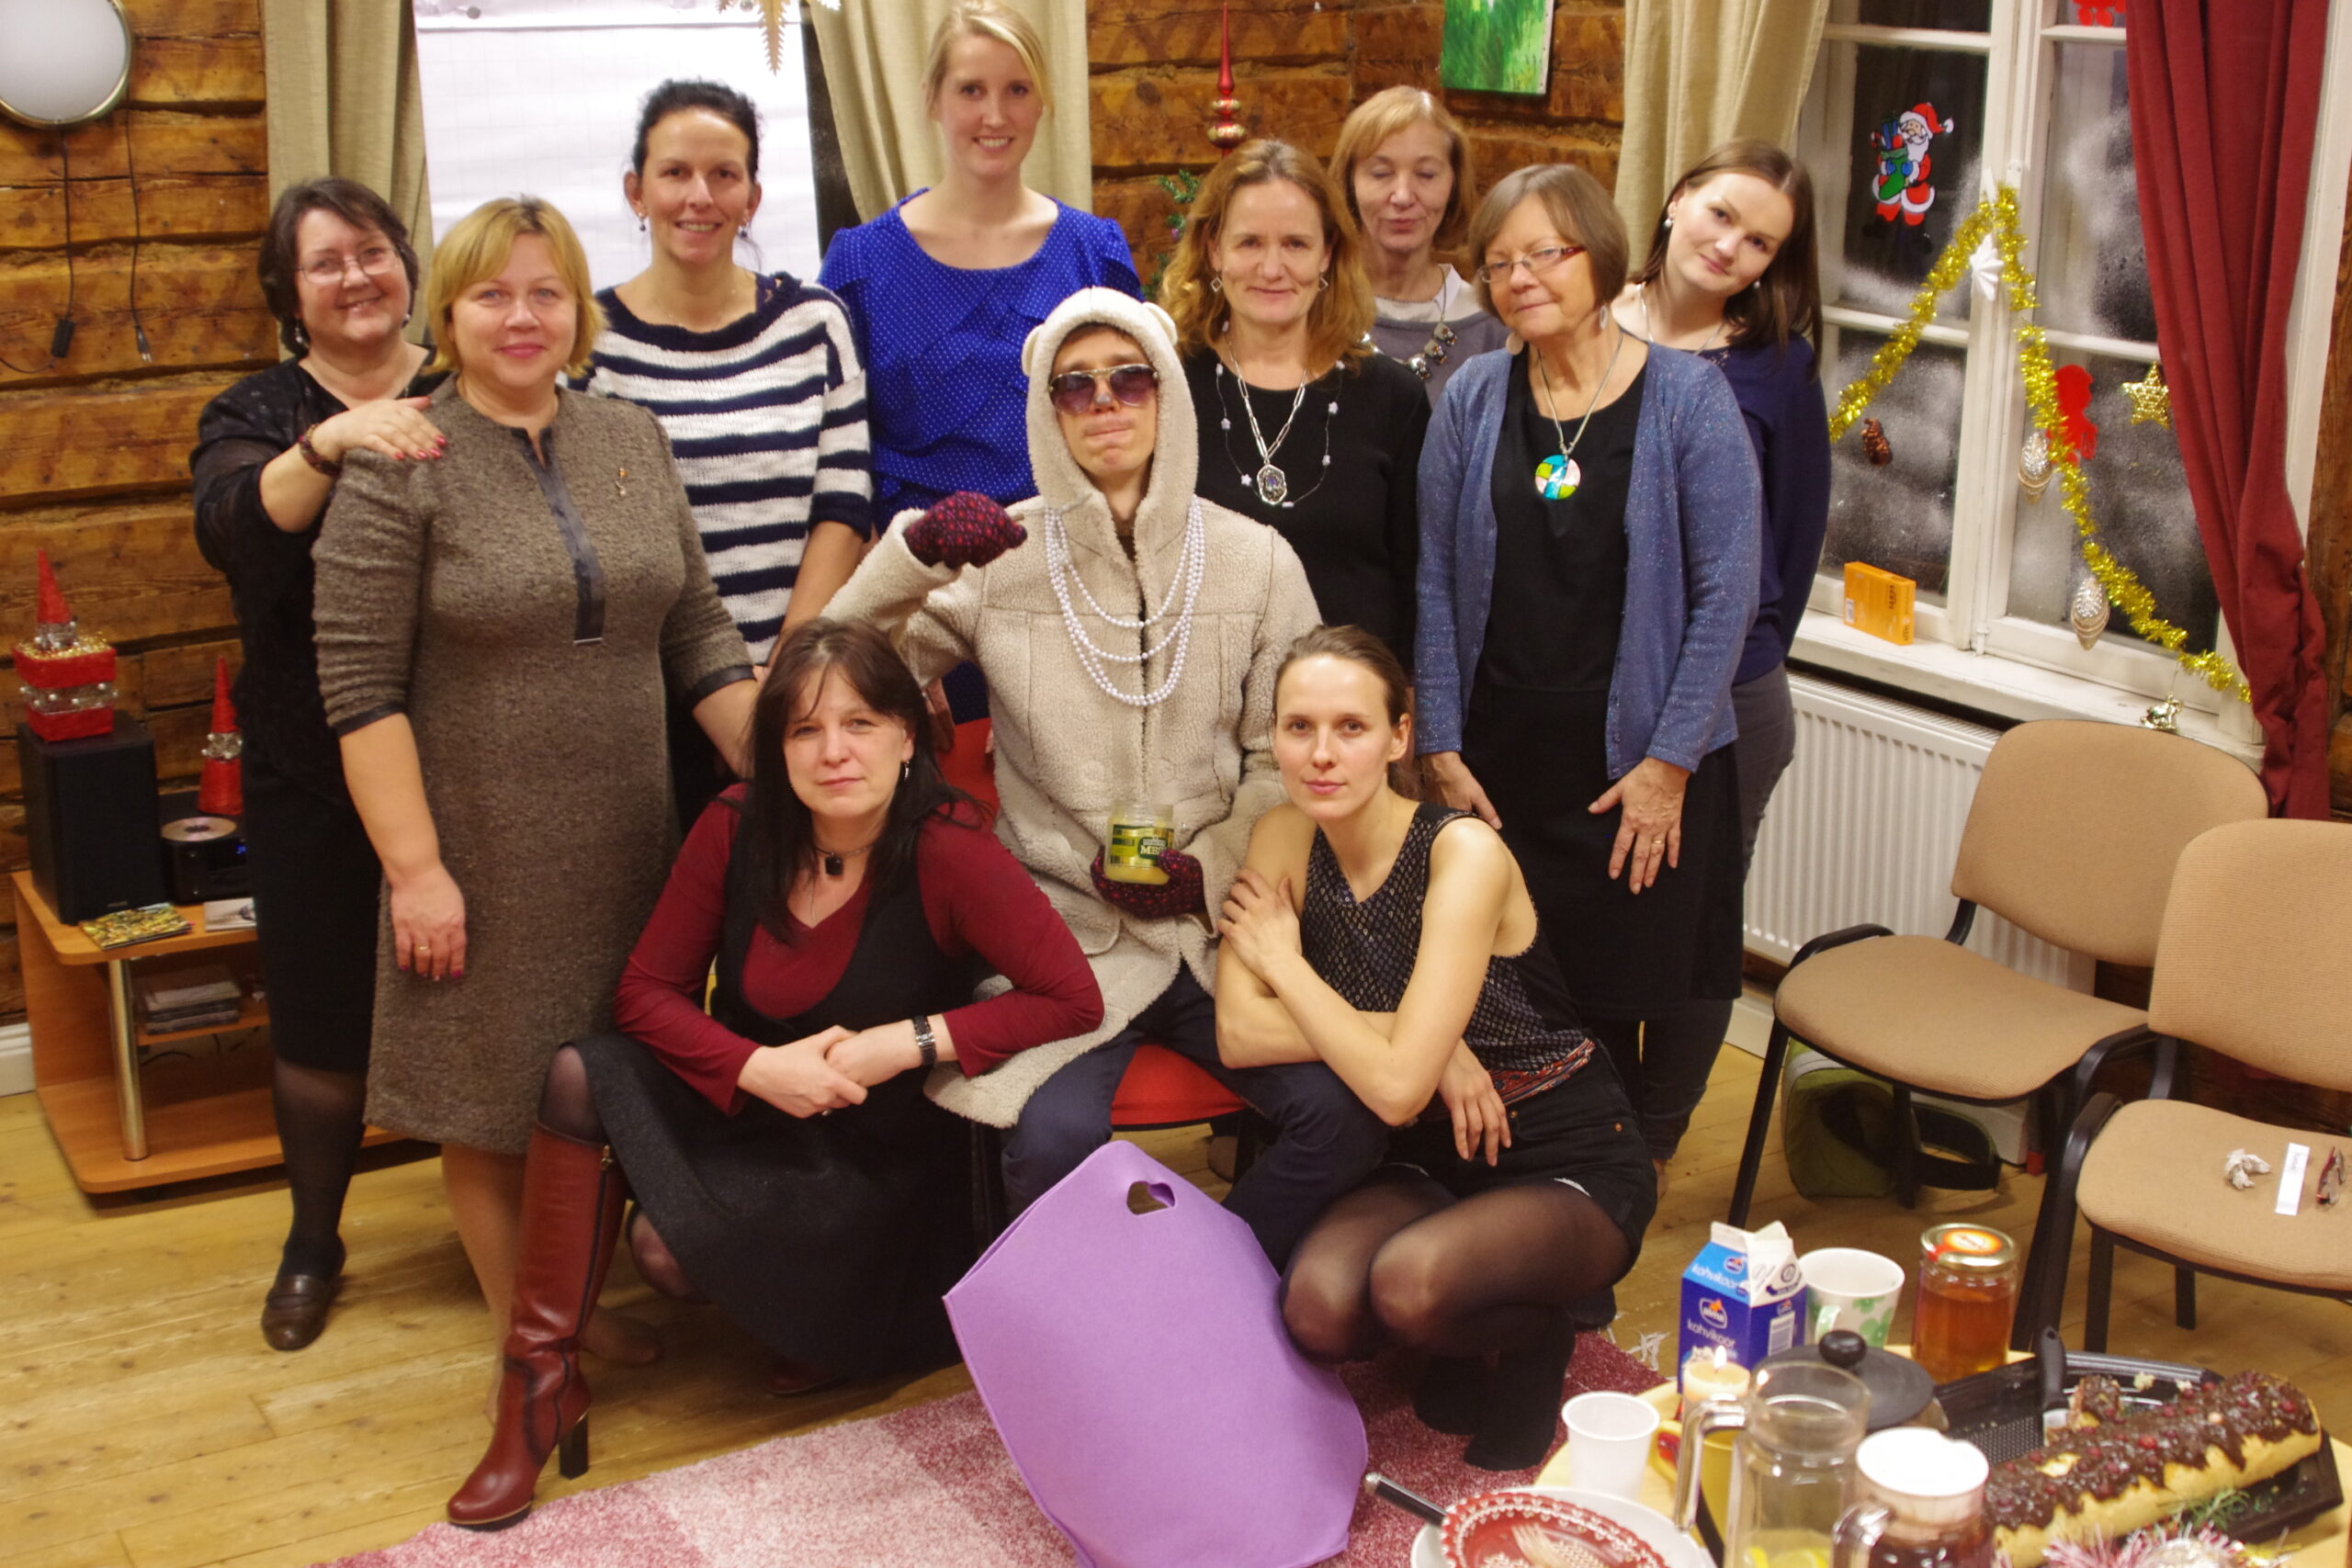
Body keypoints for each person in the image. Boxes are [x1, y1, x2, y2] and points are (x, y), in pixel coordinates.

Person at [445, 619, 1102, 1529]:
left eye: (860, 724)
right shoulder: (737, 825)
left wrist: (904, 1041)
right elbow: (645, 993)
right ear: (777, 749)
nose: (834, 752)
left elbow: (1070, 997)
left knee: (668, 1255)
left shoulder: (949, 845)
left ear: (906, 736)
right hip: (760, 1109)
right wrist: (756, 1067)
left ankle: (832, 1325)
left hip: (879, 1165)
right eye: (804, 730)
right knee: (579, 1073)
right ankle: (539, 1384)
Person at [829, 287, 1388, 1267]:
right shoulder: (998, 558)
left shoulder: (1256, 560)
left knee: (1343, 1115)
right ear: (1048, 410)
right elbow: (835, 673)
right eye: (1074, 386)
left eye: (1129, 379)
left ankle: (1205, 1290)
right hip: (1057, 938)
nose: (1104, 403)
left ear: (1166, 391)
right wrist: (911, 556)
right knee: (1051, 1141)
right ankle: (1083, 1331)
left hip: (1218, 933)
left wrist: (1210, 870)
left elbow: (1285, 760)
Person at [312, 196, 759, 1380]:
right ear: (447, 312)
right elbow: (358, 689)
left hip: (629, 838)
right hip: (481, 847)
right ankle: (533, 1338)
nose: (521, 317)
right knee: (494, 1096)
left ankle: (574, 1297)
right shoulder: (401, 458)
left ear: (578, 311)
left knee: (609, 1077)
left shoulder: (631, 437)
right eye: (492, 295)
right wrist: (417, 872)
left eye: (546, 292)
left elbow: (697, 631)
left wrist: (781, 760)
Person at [1217, 626, 1656, 1471]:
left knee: (1408, 1285)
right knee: (1316, 1308)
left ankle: (1536, 1331)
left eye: (1351, 726)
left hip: (1561, 1149)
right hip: (1425, 1153)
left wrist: (1285, 963)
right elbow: (1239, 1035)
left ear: (1399, 736)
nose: (1321, 754)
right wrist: (1420, 1038)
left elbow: (1391, 1086)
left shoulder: (1464, 851)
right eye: (1299, 726)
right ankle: (1467, 1315)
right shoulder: (1280, 835)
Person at [1417, 165, 1761, 1189]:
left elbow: (1726, 596)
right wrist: (1440, 742)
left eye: (1546, 253)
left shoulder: (1689, 398)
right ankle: (1555, 1169)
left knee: (1639, 980)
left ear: (1600, 258)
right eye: (1500, 262)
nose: (1521, 277)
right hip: (1502, 761)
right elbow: (1433, 578)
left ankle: (1626, 1168)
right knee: (1524, 981)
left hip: (1636, 763)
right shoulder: (1473, 395)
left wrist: (1668, 762)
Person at [190, 179, 445, 1353]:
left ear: (407, 264)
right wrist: (330, 440)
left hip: (470, 751)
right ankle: (313, 1240)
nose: (357, 277)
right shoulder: (258, 409)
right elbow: (236, 531)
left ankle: (532, 1218)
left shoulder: (469, 379)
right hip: (310, 766)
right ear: (289, 296)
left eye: (373, 251)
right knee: (323, 1013)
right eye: (327, 262)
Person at [818, 0, 1140, 720]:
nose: (995, 114)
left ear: (1043, 102)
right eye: (971, 89)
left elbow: (1133, 444)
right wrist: (897, 640)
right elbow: (839, 467)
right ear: (932, 99)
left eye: (1016, 89)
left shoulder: (1094, 253)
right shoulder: (861, 264)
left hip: (1069, 604)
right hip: (918, 597)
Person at [1610, 140, 1830, 1154]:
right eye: (1722, 215)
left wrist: (1735, 658)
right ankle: (1593, 1130)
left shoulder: (1777, 367)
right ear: (1676, 200)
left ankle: (1654, 1140)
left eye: (1761, 243)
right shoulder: (1585, 323)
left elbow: (1791, 537)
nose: (1731, 248)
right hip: (1594, 681)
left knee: (1695, 929)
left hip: (1729, 695)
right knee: (1596, 913)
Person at [582, 78, 875, 826]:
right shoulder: (588, 343)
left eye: (724, 174)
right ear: (636, 191)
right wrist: (717, 691)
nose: (699, 196)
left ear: (752, 197)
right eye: (675, 172)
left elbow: (844, 508)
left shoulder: (815, 323)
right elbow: (599, 538)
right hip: (652, 704)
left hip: (803, 694)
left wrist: (781, 677)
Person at [1165, 139, 1430, 669]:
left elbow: (1417, 581)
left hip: (1353, 701)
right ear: (1214, 250)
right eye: (1249, 243)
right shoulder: (1168, 384)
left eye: (1295, 244)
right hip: (1207, 698)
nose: (1271, 268)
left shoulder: (1392, 396)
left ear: (1327, 253)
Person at [1329, 86, 1510, 403]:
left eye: (1426, 175)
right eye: (1381, 174)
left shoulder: (1491, 324)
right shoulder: (1315, 308)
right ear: (1349, 183)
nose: (1402, 196)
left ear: (1454, 185)